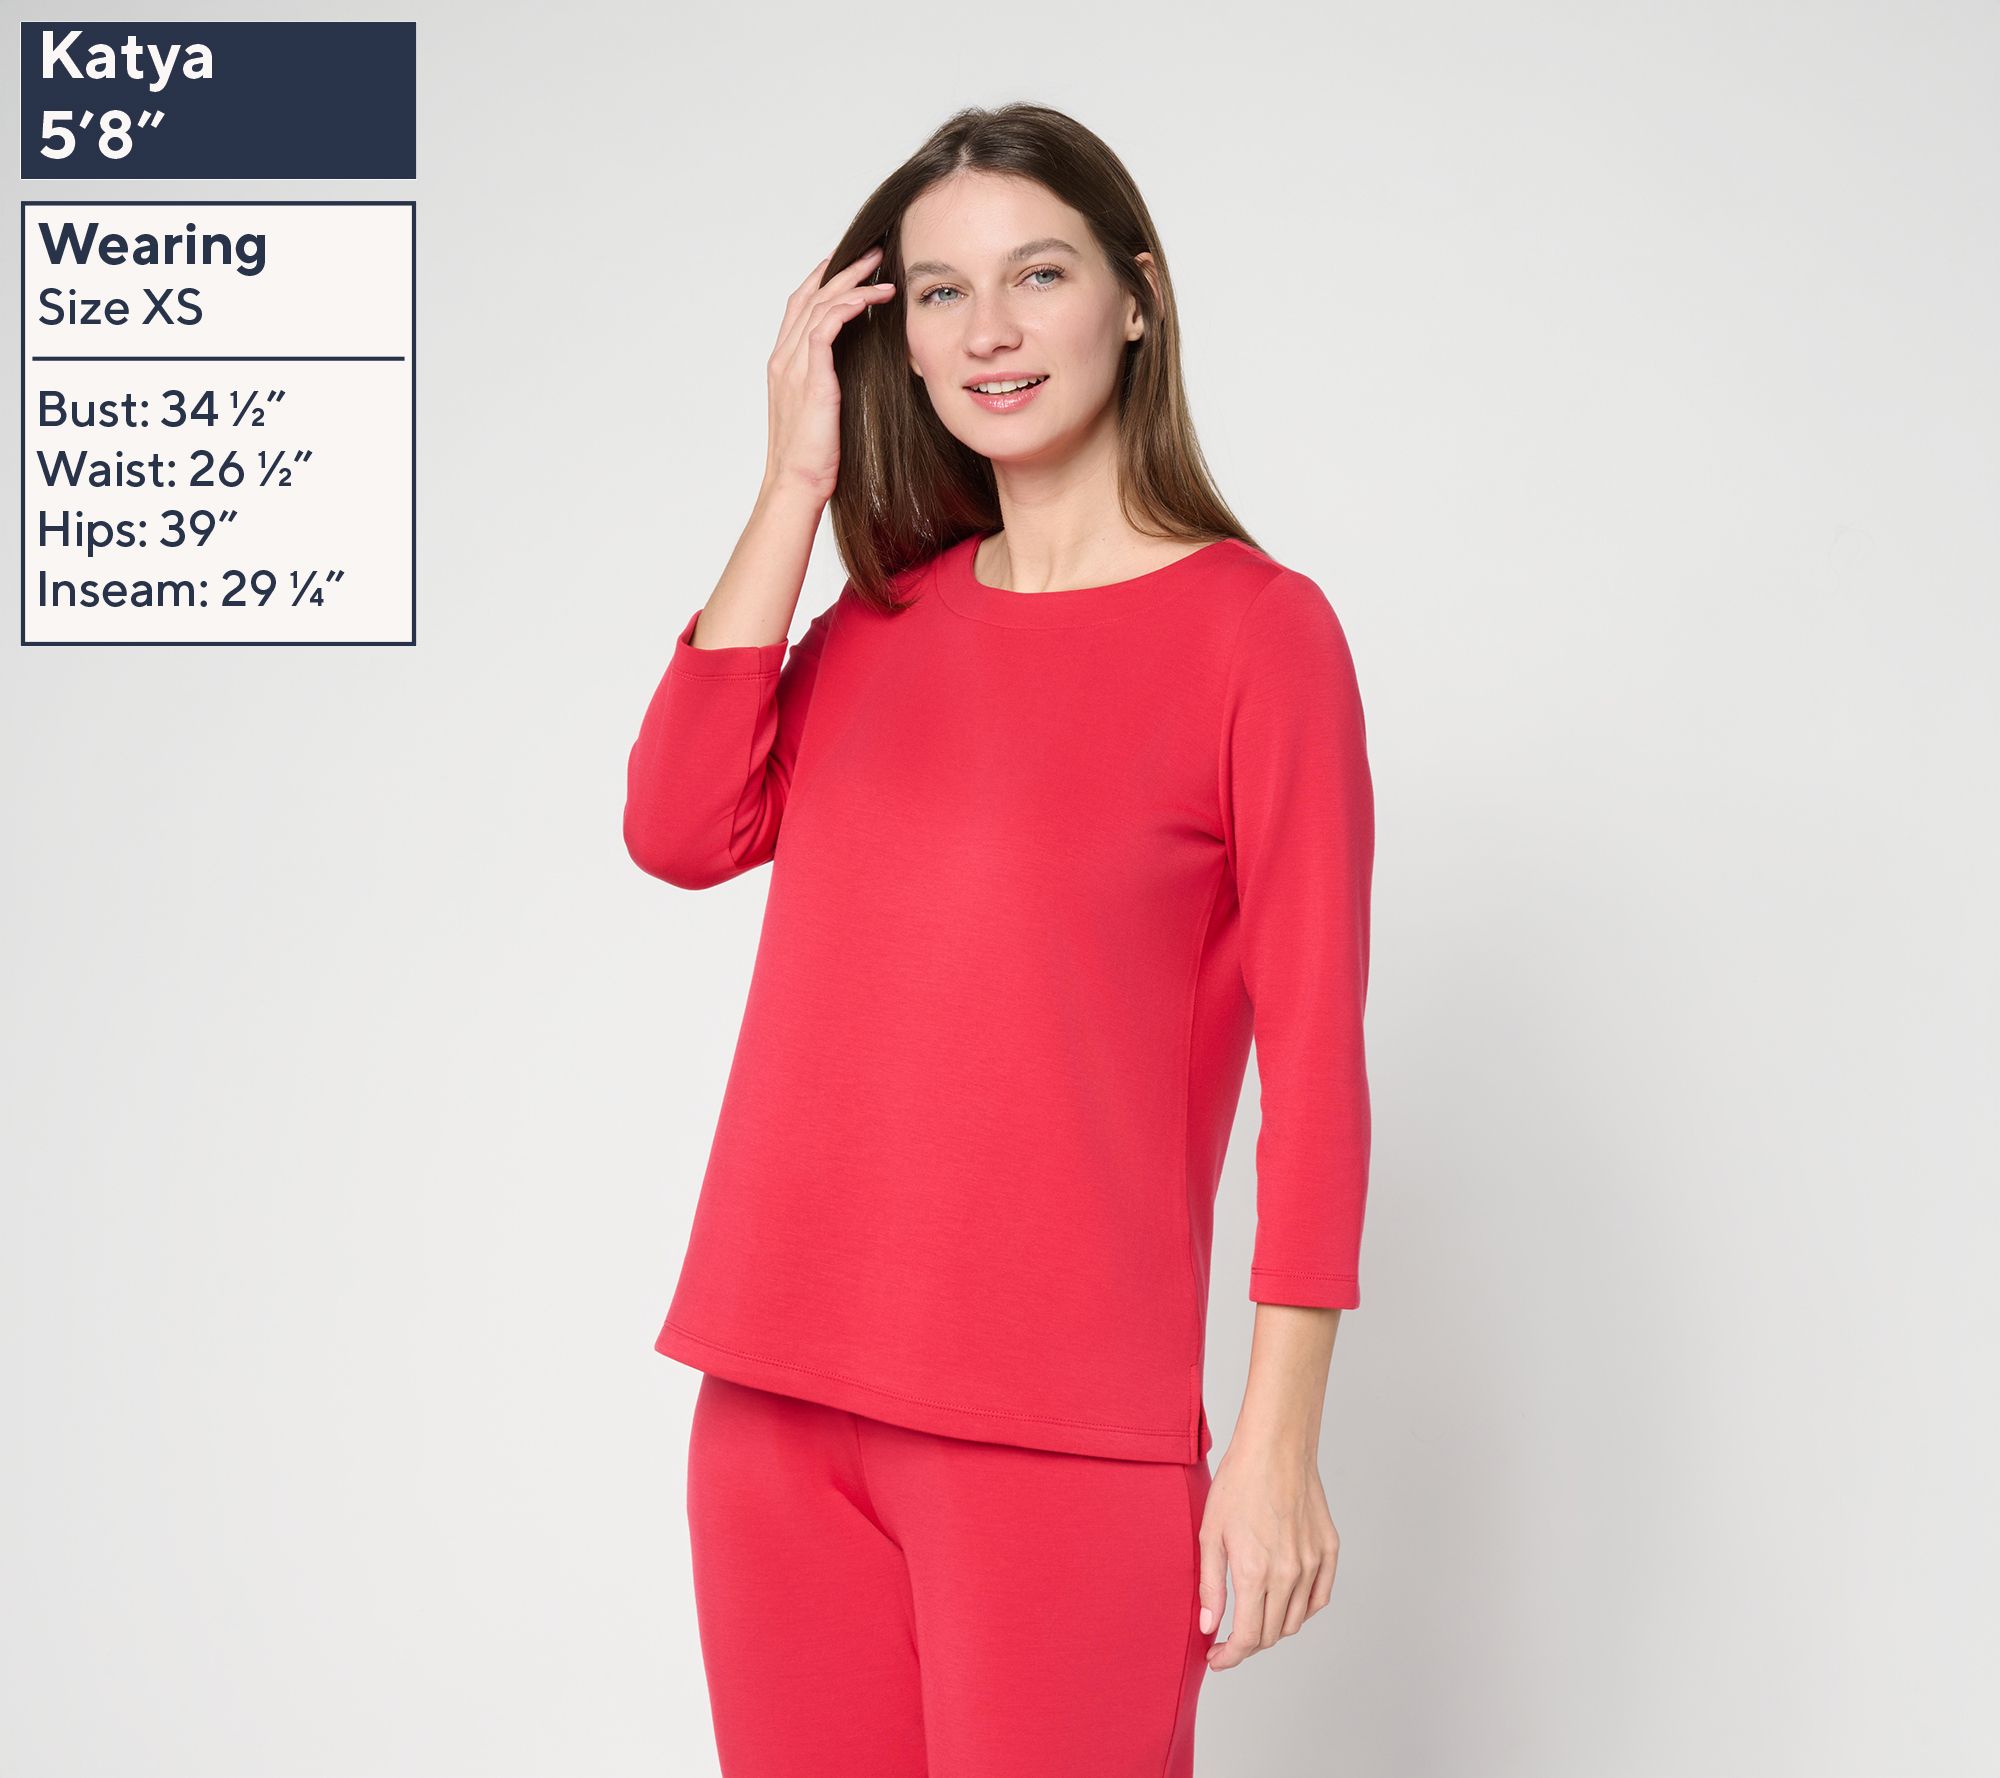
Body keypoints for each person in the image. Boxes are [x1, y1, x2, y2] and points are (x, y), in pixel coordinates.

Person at [623, 101, 1376, 1778]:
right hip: (773, 1408)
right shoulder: (880, 623)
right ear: (896, 334)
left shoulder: (1259, 635)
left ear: (1136, 297)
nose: (990, 331)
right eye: (943, 292)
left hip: (1060, 1433)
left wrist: (1276, 1443)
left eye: (1038, 274)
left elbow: (1317, 1069)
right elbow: (678, 824)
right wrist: (794, 483)